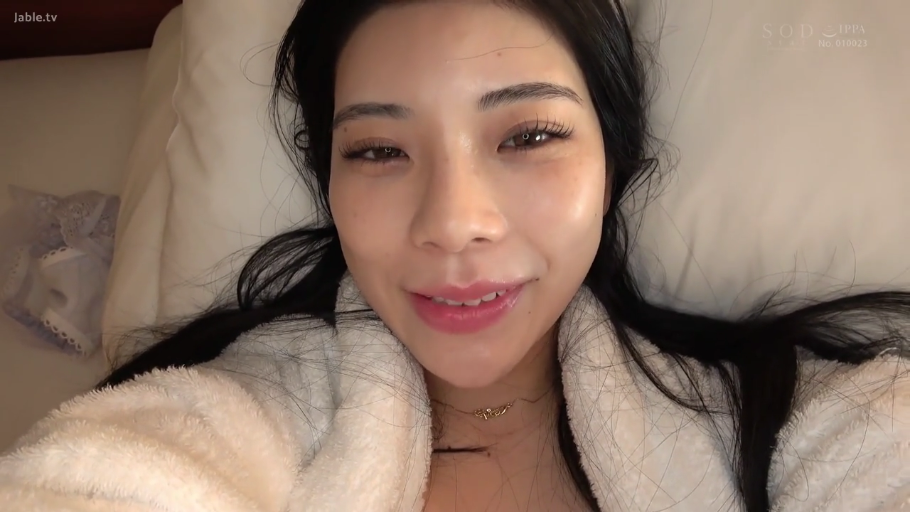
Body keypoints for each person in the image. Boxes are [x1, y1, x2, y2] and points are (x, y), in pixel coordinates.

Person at [2, 1, 909, 511]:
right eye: (378, 151)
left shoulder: (794, 422)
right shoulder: (232, 417)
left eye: (529, 136)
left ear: (612, 163)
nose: (453, 223)